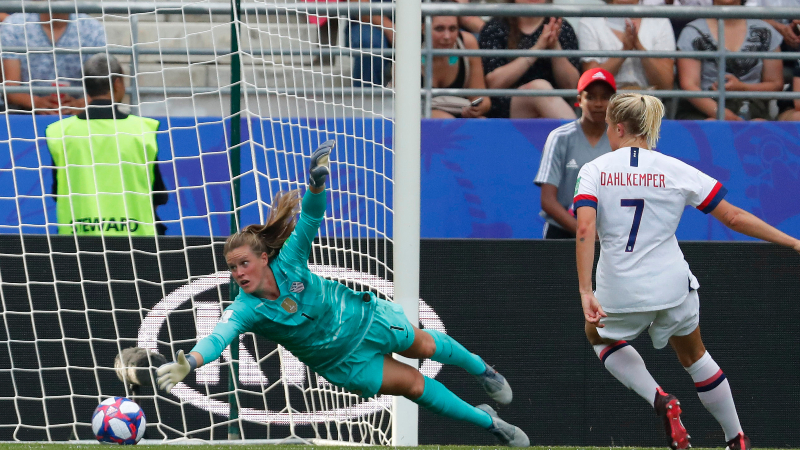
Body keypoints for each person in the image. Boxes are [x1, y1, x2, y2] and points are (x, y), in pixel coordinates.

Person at [155, 141, 530, 447]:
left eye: (243, 264)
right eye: (232, 267)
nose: (237, 273)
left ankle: (483, 369)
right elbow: (219, 336)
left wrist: (316, 188)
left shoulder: (291, 262)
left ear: (264, 257)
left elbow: (310, 219)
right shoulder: (244, 309)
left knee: (426, 348)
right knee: (416, 386)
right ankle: (491, 426)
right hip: (343, 364)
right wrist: (192, 360)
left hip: (366, 321)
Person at [574, 93, 800, 450]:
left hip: (619, 289)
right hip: (672, 286)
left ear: (618, 127)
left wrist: (586, 291)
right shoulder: (675, 168)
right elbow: (734, 217)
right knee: (695, 356)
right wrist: (792, 242)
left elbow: (585, 229)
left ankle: (660, 399)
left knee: (598, 336)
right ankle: (736, 438)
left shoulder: (594, 170)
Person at [46, 54, 168, 236]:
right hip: (136, 241)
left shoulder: (61, 132)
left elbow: (57, 192)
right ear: (117, 83)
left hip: (77, 242)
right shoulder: (141, 129)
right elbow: (158, 194)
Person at [534, 68, 616, 239]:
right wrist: (584, 231)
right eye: (591, 97)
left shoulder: (620, 140)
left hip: (607, 235)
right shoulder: (560, 137)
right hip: (562, 233)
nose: (599, 104)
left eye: (605, 97)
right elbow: (548, 200)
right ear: (579, 100)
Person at [676, 0, 783, 120]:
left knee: (758, 124)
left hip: (752, 107)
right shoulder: (692, 31)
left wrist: (742, 88)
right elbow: (689, 85)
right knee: (713, 126)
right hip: (704, 109)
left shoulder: (765, 31)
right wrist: (723, 115)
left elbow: (776, 84)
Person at [479, 0, 580, 119]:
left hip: (554, 108)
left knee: (541, 90)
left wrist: (554, 46)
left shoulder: (562, 27)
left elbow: (572, 87)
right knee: (539, 89)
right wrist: (538, 48)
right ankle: (577, 137)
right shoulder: (495, 27)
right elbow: (492, 84)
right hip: (507, 108)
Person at [0, 11, 106, 114]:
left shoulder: (93, 28)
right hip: (24, 113)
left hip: (81, 115)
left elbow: (101, 88)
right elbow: (11, 89)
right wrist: (36, 103)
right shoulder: (14, 25)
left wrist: (79, 105)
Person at [579, 0, 675, 90]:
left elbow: (666, 85)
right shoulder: (590, 22)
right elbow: (591, 83)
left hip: (648, 103)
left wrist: (639, 47)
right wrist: (624, 51)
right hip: (607, 102)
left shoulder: (660, 21)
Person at [423, 14, 492, 118]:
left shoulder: (467, 43)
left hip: (458, 112)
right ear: (424, 29)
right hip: (415, 115)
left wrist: (478, 108)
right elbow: (400, 100)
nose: (447, 36)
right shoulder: (409, 45)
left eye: (452, 29)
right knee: (445, 119)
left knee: (483, 123)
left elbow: (481, 97)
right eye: (439, 29)